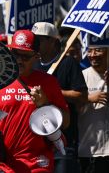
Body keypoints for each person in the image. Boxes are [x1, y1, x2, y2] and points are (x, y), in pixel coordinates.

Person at [0, 30, 69, 172]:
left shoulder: (48, 82)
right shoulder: (2, 80)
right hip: (6, 166)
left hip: (38, 163)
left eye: (25, 56)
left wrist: (45, 104)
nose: (18, 60)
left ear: (36, 57)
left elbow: (66, 122)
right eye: (15, 54)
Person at [31, 22, 88, 173]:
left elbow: (82, 96)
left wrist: (52, 92)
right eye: (33, 39)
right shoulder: (32, 65)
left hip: (63, 144)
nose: (34, 43)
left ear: (52, 41)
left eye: (39, 40)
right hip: (36, 145)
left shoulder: (68, 63)